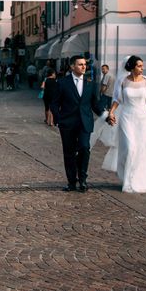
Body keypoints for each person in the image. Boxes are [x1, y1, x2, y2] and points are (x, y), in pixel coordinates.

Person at [102, 56, 146, 193]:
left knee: (142, 150)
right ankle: (128, 180)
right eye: (139, 66)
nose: (142, 68)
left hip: (144, 120)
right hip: (127, 117)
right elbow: (117, 99)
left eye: (142, 66)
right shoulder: (122, 81)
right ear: (132, 67)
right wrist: (111, 113)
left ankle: (138, 179)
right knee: (130, 148)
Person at [50, 55, 104, 192]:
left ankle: (83, 179)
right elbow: (54, 103)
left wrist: (106, 116)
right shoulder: (62, 83)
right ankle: (71, 182)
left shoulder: (90, 84)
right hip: (67, 124)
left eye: (84, 64)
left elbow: (95, 104)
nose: (83, 66)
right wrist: (58, 120)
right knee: (69, 153)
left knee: (85, 148)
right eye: (80, 64)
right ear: (72, 66)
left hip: (85, 123)